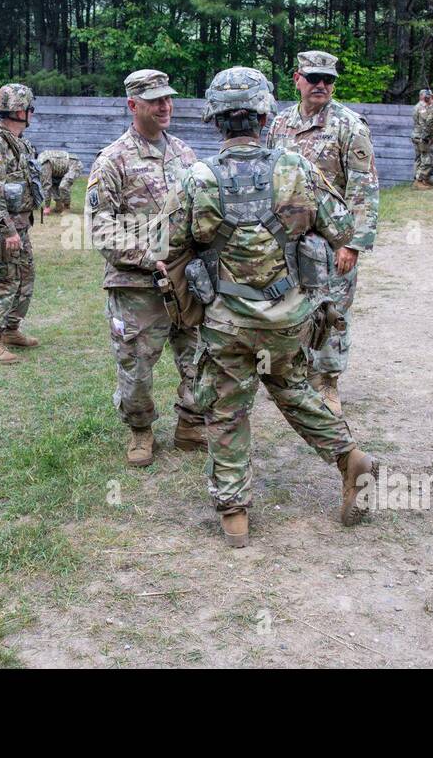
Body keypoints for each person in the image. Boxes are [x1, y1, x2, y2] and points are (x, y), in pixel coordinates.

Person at [154, 66, 378, 546]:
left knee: (227, 409)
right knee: (293, 389)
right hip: (288, 321)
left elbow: (165, 245)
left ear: (215, 119)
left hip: (227, 324)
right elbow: (341, 226)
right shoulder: (296, 168)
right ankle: (348, 456)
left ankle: (234, 512)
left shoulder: (196, 177)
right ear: (262, 114)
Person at [87, 69, 205, 467]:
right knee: (136, 367)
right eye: (155, 100)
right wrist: (146, 256)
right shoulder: (112, 160)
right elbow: (101, 228)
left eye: (168, 98)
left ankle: (190, 423)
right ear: (133, 105)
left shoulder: (186, 155)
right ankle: (140, 431)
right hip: (137, 286)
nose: (165, 106)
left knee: (197, 357)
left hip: (186, 282)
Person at [266, 49, 379, 415]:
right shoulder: (279, 124)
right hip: (287, 241)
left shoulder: (349, 126)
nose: (321, 85)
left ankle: (327, 381)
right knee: (289, 307)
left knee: (331, 312)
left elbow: (364, 188)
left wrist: (354, 244)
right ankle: (293, 374)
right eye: (313, 77)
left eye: (328, 80)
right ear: (296, 78)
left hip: (332, 242)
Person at [0, 84, 43, 363]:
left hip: (20, 226)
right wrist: (7, 231)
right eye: (29, 109)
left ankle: (11, 329)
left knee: (26, 277)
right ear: (19, 111)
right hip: (4, 229)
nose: (31, 114)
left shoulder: (20, 141)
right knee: (4, 280)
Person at [38, 148, 84, 213]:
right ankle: (59, 206)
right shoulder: (42, 159)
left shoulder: (43, 164)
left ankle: (66, 207)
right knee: (54, 184)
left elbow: (46, 186)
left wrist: (47, 207)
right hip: (61, 169)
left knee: (63, 186)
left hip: (74, 166)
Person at [412, 88, 433, 189]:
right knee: (427, 159)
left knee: (419, 159)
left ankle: (422, 179)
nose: (429, 97)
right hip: (422, 137)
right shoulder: (422, 107)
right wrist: (431, 136)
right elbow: (426, 123)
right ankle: (419, 181)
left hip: (418, 135)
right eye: (427, 96)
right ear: (422, 96)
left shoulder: (418, 106)